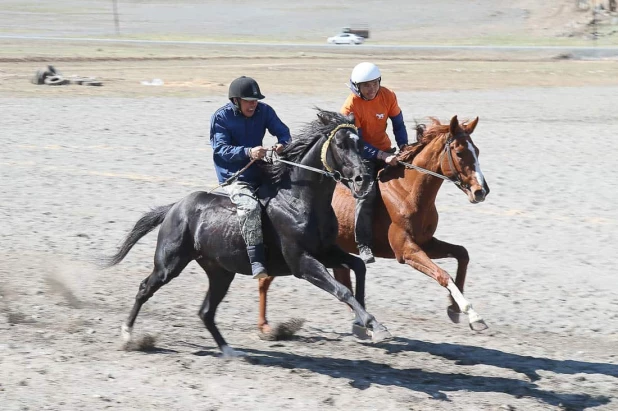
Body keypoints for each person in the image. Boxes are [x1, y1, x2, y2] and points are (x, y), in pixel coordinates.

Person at [210, 76, 291, 279]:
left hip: (261, 170)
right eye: (248, 100)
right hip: (234, 176)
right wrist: (248, 152)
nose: (253, 104)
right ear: (236, 101)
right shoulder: (221, 117)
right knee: (250, 207)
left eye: (255, 100)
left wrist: (283, 143)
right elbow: (220, 149)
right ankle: (256, 261)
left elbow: (284, 133)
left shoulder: (265, 111)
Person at [340, 62, 409, 264]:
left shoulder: (388, 96)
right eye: (366, 86)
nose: (371, 89)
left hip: (385, 149)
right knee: (366, 193)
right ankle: (363, 244)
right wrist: (382, 156)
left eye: (374, 84)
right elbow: (358, 142)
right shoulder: (350, 107)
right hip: (358, 154)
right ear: (356, 87)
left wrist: (404, 146)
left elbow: (398, 123)